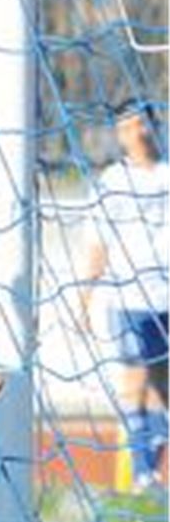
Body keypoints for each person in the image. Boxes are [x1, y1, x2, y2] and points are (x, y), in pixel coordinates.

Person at [79, 98, 168, 490]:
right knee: (134, 378)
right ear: (120, 133)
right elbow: (98, 243)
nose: (139, 132)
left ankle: (153, 466)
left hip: (165, 296)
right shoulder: (114, 182)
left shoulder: (167, 176)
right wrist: (85, 297)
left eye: (144, 123)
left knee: (163, 386)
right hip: (129, 297)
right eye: (130, 126)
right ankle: (141, 471)